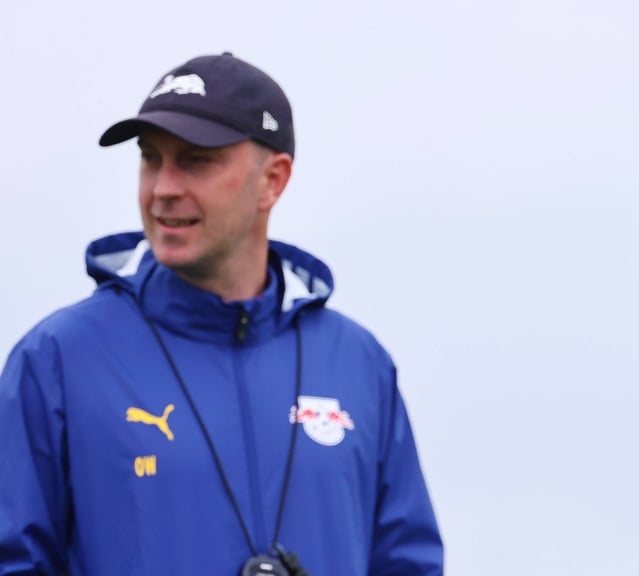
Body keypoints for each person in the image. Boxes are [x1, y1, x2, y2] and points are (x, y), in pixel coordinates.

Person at [0, 52, 443, 575]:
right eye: (150, 158)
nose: (163, 187)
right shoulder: (59, 360)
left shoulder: (358, 365)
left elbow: (407, 564)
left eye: (195, 160)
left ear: (273, 180)